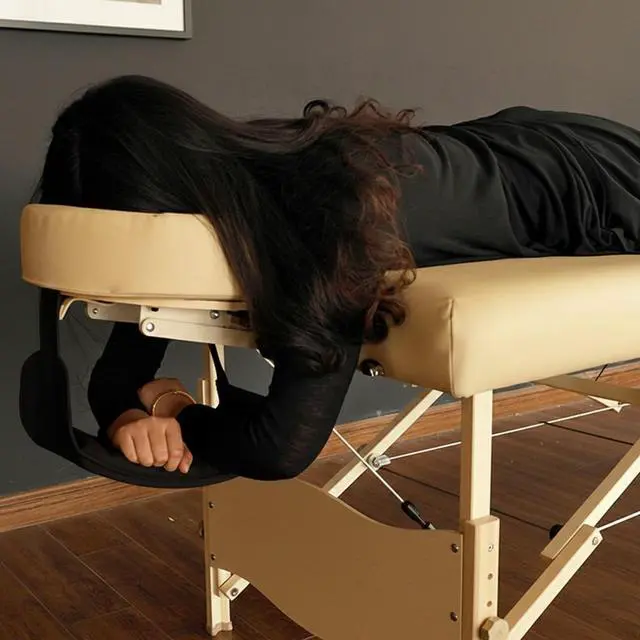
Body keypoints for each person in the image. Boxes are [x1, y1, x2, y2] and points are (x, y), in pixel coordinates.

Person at [35, 74, 640, 480]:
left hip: (600, 184)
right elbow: (119, 375)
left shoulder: (318, 218)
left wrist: (174, 410)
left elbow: (280, 448)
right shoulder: (221, 188)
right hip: (522, 143)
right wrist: (127, 416)